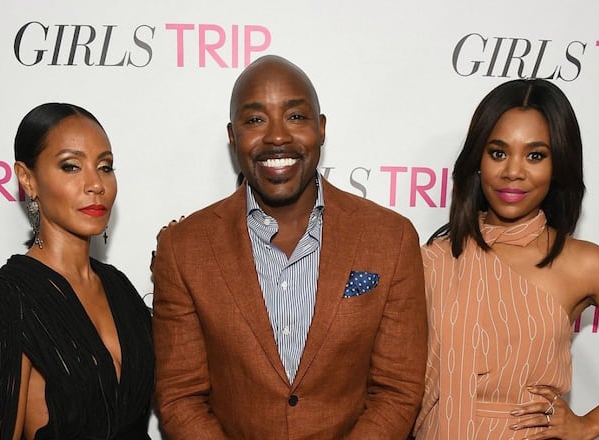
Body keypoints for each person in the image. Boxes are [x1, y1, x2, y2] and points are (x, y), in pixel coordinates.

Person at [151, 55, 427, 439]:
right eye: (255, 120)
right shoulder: (184, 248)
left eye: (296, 117)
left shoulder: (390, 237)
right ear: (233, 137)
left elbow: (398, 390)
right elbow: (180, 396)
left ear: (321, 128)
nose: (277, 136)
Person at [413, 79, 599, 440]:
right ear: (477, 160)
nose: (513, 171)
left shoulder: (581, 264)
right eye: (498, 152)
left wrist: (591, 424)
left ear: (558, 166)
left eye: (535, 155)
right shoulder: (429, 261)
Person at [0, 103, 155, 440]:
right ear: (27, 178)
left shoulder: (119, 287)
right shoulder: (8, 299)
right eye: (71, 167)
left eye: (105, 166)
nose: (95, 184)